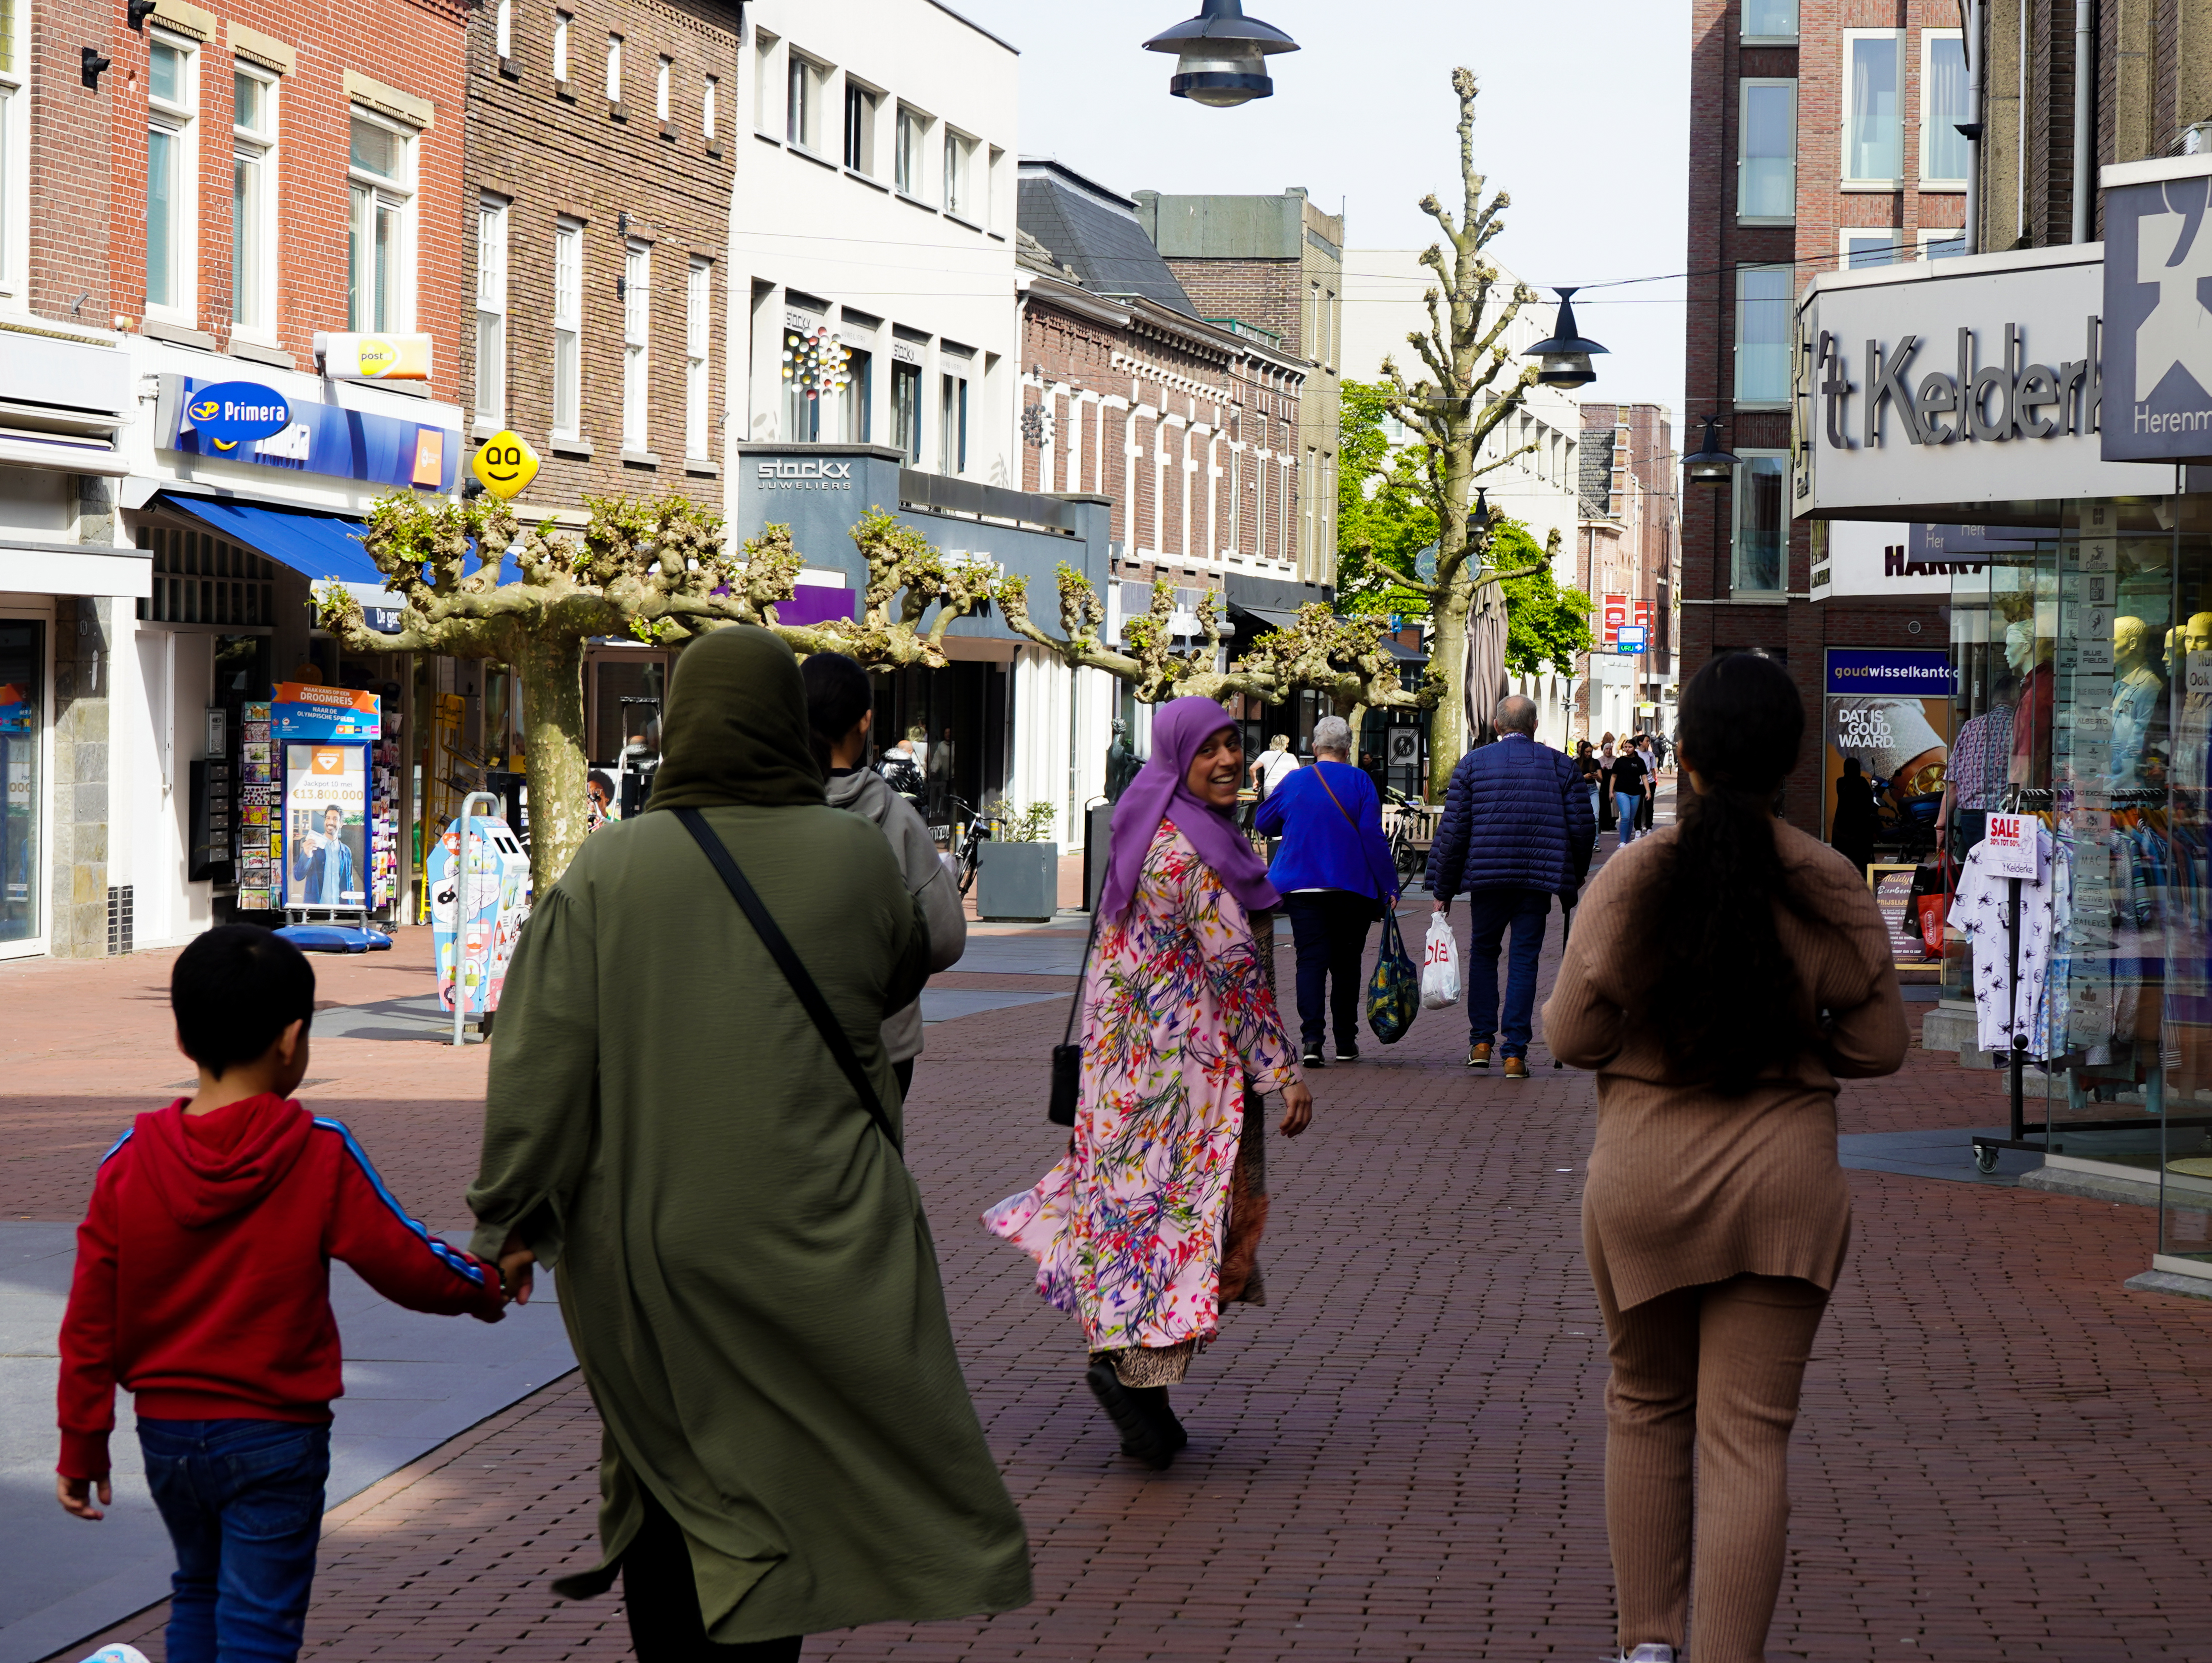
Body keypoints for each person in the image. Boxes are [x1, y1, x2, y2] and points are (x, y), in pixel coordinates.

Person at [470, 627, 1031, 1660]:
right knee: (791, 1473)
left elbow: (540, 1067)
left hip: (660, 1241)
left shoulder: (610, 869)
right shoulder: (856, 854)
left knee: (672, 1468)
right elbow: (897, 971)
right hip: (826, 1230)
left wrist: (509, 1219)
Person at [1542, 651, 1908, 1663]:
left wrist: (1656, 1046)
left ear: (1686, 758)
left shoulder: (1636, 874)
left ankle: (1648, 1643)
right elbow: (1880, 1045)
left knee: (1646, 1402)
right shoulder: (1828, 879)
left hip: (1645, 1173)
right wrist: (1791, 1045)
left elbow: (1571, 1034)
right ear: (1791, 760)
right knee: (1750, 1435)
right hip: (1785, 1181)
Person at [56, 926, 508, 1662]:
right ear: (292, 1040)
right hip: (275, 1433)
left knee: (196, 1589)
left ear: (180, 1035)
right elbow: (403, 1260)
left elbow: (88, 1325)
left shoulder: (127, 1164)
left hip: (167, 1436)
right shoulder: (317, 1149)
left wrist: (82, 1444)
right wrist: (485, 1285)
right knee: (259, 1626)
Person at [985, 698, 1313, 1470]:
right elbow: (1235, 971)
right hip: (1184, 1083)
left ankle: (1144, 1389)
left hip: (1122, 1080)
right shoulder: (1196, 854)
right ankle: (1135, 1379)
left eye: (1235, 746)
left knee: (1134, 1222)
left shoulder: (1144, 829)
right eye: (1210, 752)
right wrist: (1281, 1074)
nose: (1228, 761)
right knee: (1190, 1221)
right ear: (1179, 760)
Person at [803, 652, 967, 1099]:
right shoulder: (893, 814)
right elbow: (946, 937)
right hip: (882, 1037)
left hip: (783, 1036)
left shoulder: (761, 807)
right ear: (865, 721)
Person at [1424, 693, 1595, 1080]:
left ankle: (1481, 1043)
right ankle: (1515, 1053)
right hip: (1537, 880)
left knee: (1484, 954)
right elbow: (1582, 827)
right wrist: (1575, 874)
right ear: (1536, 726)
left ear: (1498, 726)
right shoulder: (1561, 766)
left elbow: (1453, 834)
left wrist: (1442, 888)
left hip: (1487, 879)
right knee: (1524, 961)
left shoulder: (1472, 765)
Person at [1254, 714, 1399, 1067]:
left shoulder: (1295, 780)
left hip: (1304, 887)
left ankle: (1311, 1040)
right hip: (1353, 887)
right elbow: (1372, 836)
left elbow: (1263, 822)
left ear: (1316, 747)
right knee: (1348, 964)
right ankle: (1346, 1041)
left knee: (1311, 962)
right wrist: (1389, 885)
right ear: (1348, 749)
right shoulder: (1361, 781)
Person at [1936, 673, 2017, 860]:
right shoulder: (2020, 726)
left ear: (1995, 698)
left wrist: (1942, 826)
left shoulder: (1971, 727)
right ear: (2018, 698)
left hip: (1971, 818)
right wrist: (2013, 812)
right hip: (2005, 816)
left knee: (1979, 875)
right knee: (2004, 877)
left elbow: (1953, 786)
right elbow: (2018, 778)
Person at [289, 802, 355, 904]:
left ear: (341, 824)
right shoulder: (314, 845)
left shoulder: (346, 852)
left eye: (335, 819)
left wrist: (352, 906)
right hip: (317, 907)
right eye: (328, 818)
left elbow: (350, 883)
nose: (330, 822)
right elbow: (298, 876)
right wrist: (307, 855)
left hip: (340, 908)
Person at [1830, 755, 1878, 876]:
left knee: (1843, 856)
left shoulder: (1840, 782)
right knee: (1860, 860)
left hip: (1842, 826)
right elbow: (1869, 800)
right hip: (1859, 826)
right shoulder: (1861, 782)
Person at [1608, 738, 1647, 848]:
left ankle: (1626, 840)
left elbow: (1644, 777)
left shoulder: (1640, 762)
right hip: (1622, 792)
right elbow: (1614, 776)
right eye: (1625, 747)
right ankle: (1622, 841)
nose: (1627, 749)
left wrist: (1648, 791)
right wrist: (1611, 791)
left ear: (1634, 748)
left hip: (1636, 792)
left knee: (1631, 818)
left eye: (1630, 747)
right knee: (1625, 816)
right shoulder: (1620, 761)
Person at [1247, 732, 1300, 800]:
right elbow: (1296, 774)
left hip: (1269, 787)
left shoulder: (1266, 755)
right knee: (1282, 809)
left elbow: (1252, 768)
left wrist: (1255, 781)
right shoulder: (1291, 757)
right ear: (1285, 745)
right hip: (1284, 787)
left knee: (1271, 809)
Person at [1636, 736, 1659, 833]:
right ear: (1641, 742)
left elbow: (1654, 768)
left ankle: (1649, 825)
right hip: (1638, 783)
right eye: (1647, 741)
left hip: (1650, 782)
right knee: (1638, 806)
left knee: (1649, 806)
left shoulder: (1650, 755)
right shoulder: (1635, 754)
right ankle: (1638, 827)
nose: (1649, 743)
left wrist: (1654, 780)